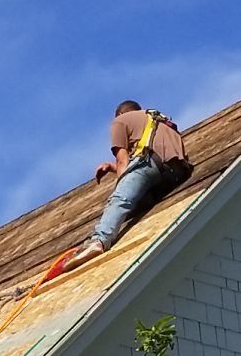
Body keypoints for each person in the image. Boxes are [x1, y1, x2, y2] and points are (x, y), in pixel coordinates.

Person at [65, 100, 191, 271]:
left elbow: (124, 160)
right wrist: (111, 168)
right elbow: (154, 160)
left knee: (119, 200)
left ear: (121, 114)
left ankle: (99, 240)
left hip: (149, 164)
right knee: (133, 205)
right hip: (176, 173)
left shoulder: (120, 121)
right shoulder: (158, 120)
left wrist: (121, 184)